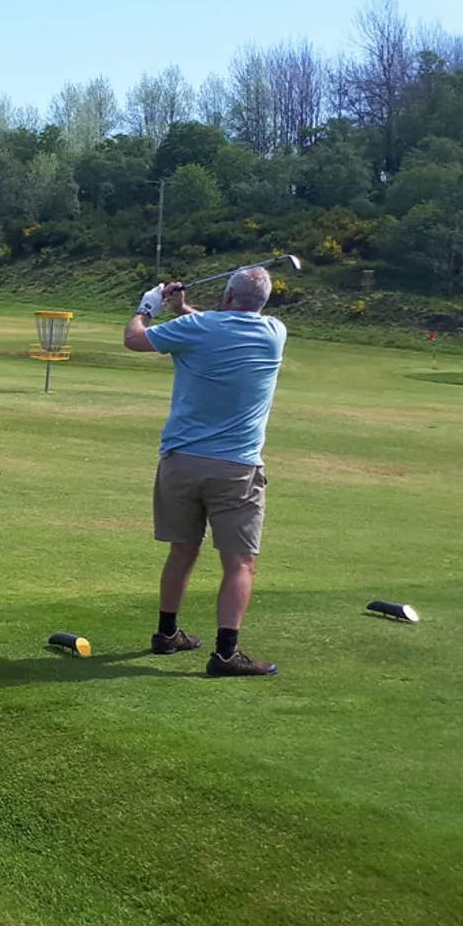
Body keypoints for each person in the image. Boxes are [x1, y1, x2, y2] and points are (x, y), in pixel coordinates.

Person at [123, 265, 286, 677]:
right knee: (240, 563)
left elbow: (134, 339)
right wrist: (183, 309)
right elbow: (218, 330)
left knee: (182, 551)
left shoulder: (197, 327)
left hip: (181, 462)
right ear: (262, 303)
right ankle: (226, 654)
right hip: (237, 468)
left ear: (227, 296)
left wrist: (150, 306)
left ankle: (166, 634)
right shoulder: (274, 334)